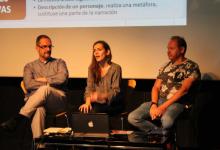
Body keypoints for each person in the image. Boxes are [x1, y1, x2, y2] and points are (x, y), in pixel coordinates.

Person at [128, 36, 201, 134]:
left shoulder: (191, 66)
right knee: (133, 117)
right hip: (159, 101)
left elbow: (184, 90)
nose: (168, 51)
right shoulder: (165, 66)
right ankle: (160, 133)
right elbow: (156, 87)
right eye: (168, 48)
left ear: (182, 49)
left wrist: (163, 107)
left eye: (172, 48)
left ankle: (162, 137)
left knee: (167, 122)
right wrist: (154, 105)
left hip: (177, 103)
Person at [0, 34, 69, 139]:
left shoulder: (59, 62)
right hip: (36, 103)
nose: (48, 49)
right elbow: (28, 84)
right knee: (38, 109)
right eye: (44, 46)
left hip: (56, 101)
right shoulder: (29, 66)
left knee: (45, 89)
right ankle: (39, 144)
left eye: (50, 46)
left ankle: (19, 118)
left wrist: (46, 80)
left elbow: (62, 78)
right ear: (37, 48)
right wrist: (51, 81)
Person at [79, 40, 123, 115]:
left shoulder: (116, 68)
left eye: (99, 50)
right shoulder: (92, 68)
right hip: (96, 104)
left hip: (112, 104)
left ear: (107, 52)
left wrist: (102, 96)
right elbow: (89, 88)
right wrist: (87, 103)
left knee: (96, 110)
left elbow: (116, 91)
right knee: (83, 110)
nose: (96, 52)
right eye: (94, 50)